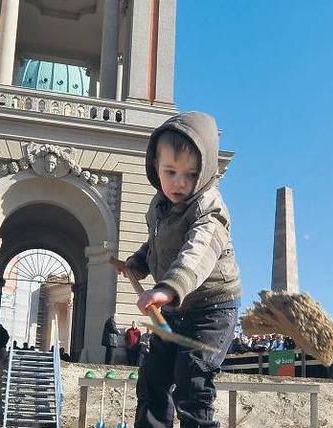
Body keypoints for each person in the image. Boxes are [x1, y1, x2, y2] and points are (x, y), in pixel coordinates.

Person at [115, 112, 240, 428]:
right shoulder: (159, 205)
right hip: (172, 308)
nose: (179, 183)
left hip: (211, 308)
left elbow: (196, 254)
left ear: (206, 172)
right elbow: (157, 244)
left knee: (192, 379)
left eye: (190, 174)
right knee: (153, 377)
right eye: (170, 172)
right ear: (155, 167)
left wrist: (168, 288)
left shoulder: (209, 210)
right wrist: (137, 263)